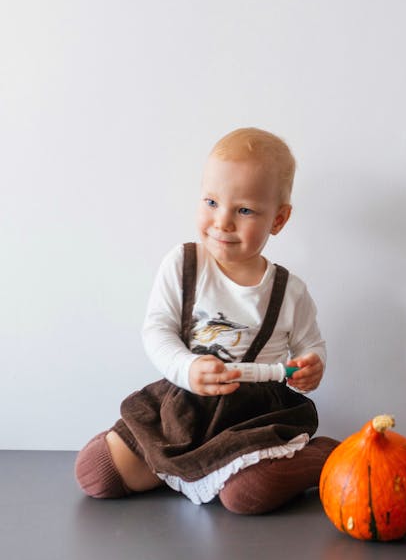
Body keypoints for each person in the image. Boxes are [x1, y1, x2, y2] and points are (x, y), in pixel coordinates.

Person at [75, 127, 338, 513]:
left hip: (251, 420)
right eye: (212, 202)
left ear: (278, 219)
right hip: (182, 407)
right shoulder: (184, 265)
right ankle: (184, 469)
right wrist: (187, 366)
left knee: (246, 496)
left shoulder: (289, 291)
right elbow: (157, 330)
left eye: (244, 210)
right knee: (96, 472)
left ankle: (323, 459)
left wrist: (312, 366)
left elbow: (310, 345)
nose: (223, 221)